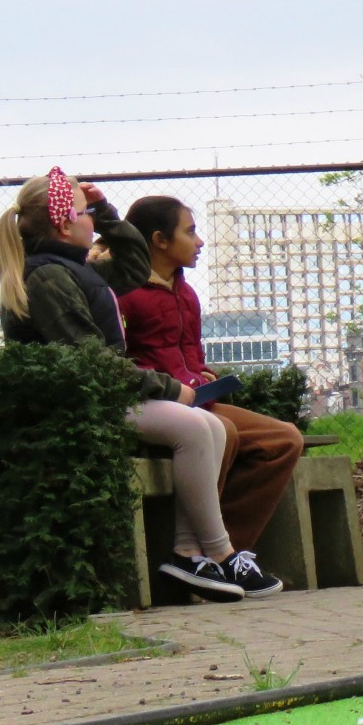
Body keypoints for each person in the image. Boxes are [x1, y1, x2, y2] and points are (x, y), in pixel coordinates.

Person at [0, 168, 280, 603]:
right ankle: (220, 552)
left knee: (214, 427)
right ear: (63, 222)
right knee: (192, 426)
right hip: (82, 407)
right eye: (85, 213)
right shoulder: (48, 277)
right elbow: (91, 361)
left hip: (103, 398)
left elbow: (133, 261)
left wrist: (106, 212)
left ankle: (188, 553)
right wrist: (169, 388)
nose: (92, 219)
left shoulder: (74, 268)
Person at [117, 195, 304, 582]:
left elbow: (192, 358)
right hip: (161, 406)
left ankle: (226, 554)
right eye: (190, 231)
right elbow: (123, 364)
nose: (200, 241)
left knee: (284, 440)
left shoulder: (185, 292)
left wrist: (205, 377)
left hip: (201, 404)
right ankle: (212, 552)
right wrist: (178, 387)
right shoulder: (125, 294)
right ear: (159, 240)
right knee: (228, 432)